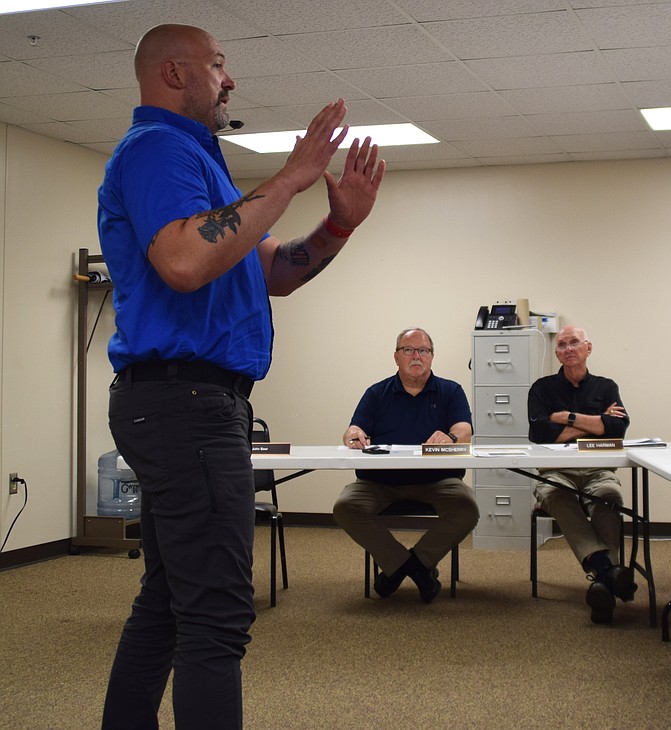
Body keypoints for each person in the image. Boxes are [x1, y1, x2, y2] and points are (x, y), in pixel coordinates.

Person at [98, 23, 385, 730]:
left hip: (184, 405)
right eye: (218, 65)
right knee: (217, 617)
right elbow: (184, 260)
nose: (230, 79)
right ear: (173, 73)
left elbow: (271, 270)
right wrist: (290, 176)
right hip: (184, 406)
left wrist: (337, 226)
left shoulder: (198, 159)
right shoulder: (158, 148)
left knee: (169, 603)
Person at [334, 328, 480, 603]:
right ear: (396, 357)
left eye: (423, 350)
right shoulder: (377, 393)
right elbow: (354, 428)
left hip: (438, 482)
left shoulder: (450, 391)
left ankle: (407, 566)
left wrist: (450, 437)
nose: (417, 356)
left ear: (432, 357)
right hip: (379, 482)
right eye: (409, 350)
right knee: (346, 507)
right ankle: (410, 567)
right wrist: (352, 435)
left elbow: (465, 429)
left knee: (467, 509)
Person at [528, 326, 636, 624]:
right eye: (562, 345)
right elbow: (539, 433)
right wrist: (596, 423)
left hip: (598, 469)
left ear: (588, 348)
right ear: (557, 354)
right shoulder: (542, 388)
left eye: (574, 342)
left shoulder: (606, 387)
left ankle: (602, 579)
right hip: (555, 471)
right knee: (557, 496)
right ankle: (609, 572)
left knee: (608, 499)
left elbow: (617, 430)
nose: (568, 349)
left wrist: (565, 418)